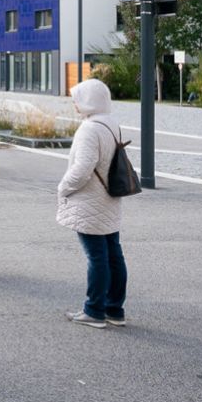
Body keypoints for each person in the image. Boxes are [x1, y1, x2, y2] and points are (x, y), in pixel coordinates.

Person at [58, 79, 128, 329]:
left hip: (90, 201)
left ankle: (94, 310)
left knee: (96, 256)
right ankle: (114, 309)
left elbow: (83, 167)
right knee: (113, 254)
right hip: (109, 199)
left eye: (77, 98)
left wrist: (63, 187)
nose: (74, 103)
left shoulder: (89, 129)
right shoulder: (111, 124)